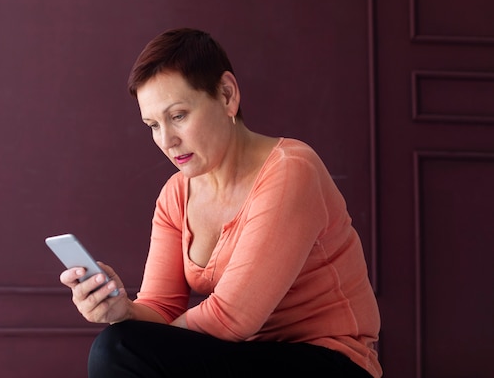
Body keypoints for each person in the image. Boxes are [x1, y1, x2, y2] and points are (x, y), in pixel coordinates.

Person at [60, 28, 382, 378]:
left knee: (118, 349)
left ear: (227, 95)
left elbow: (233, 318)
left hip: (331, 363)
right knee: (119, 342)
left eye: (178, 115)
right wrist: (122, 311)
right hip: (246, 357)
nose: (166, 140)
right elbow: (161, 306)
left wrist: (141, 344)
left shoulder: (291, 171)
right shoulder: (176, 195)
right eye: (152, 125)